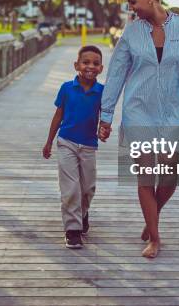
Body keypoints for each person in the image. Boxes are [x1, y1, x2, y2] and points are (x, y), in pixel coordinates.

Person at [98, 0, 179, 258]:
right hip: (138, 113)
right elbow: (117, 74)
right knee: (145, 176)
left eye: (132, 2)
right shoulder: (131, 33)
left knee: (169, 176)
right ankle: (155, 238)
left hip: (174, 112)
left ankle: (152, 217)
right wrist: (106, 115)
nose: (130, 9)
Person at [42, 45, 104, 249]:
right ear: (76, 65)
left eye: (95, 63)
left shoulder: (101, 92)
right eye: (85, 62)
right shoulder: (67, 88)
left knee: (87, 188)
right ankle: (73, 229)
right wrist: (49, 141)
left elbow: (105, 118)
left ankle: (82, 213)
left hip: (88, 145)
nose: (90, 66)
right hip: (66, 141)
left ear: (101, 68)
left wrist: (105, 129)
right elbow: (58, 115)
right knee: (70, 189)